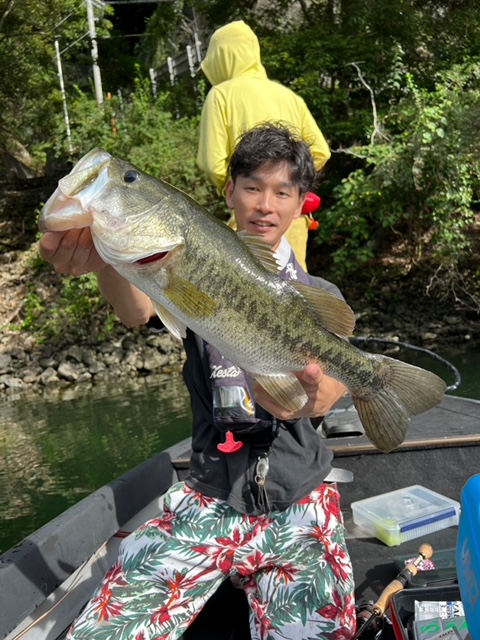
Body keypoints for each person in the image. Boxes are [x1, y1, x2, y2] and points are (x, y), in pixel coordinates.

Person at [39, 124, 356, 639]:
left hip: (301, 498)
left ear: (301, 203)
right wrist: (107, 257)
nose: (265, 205)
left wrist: (312, 396)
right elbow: (134, 310)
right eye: (252, 187)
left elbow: (333, 387)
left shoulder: (317, 293)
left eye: (282, 192)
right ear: (229, 191)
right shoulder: (191, 263)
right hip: (209, 495)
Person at [196, 19, 331, 271]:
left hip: (251, 220)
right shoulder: (289, 96)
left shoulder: (221, 95)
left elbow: (211, 164)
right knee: (296, 293)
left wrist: (249, 188)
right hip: (290, 219)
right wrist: (287, 190)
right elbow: (321, 151)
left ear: (220, 58)